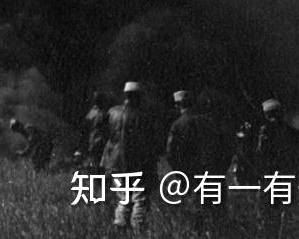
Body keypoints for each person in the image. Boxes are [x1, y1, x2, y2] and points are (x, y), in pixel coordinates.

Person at [167, 90, 234, 235]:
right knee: (218, 215)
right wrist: (221, 170)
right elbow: (226, 148)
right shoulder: (210, 121)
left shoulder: (177, 125)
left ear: (177, 106)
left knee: (196, 218)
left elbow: (171, 154)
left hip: (191, 177)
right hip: (214, 174)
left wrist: (180, 174)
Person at [101, 81, 163, 232]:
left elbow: (106, 137)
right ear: (138, 96)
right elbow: (150, 143)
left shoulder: (112, 113)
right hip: (137, 164)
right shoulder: (143, 116)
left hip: (116, 163)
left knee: (123, 197)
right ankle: (138, 229)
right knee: (139, 198)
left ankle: (120, 225)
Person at [254, 99, 299, 239]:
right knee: (288, 225)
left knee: (268, 226)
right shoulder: (294, 134)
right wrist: (296, 177)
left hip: (268, 187)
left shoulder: (263, 135)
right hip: (288, 185)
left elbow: (256, 160)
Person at [83, 91, 112, 173]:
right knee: (100, 166)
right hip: (100, 143)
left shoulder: (90, 114)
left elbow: (86, 130)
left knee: (93, 164)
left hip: (91, 142)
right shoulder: (103, 114)